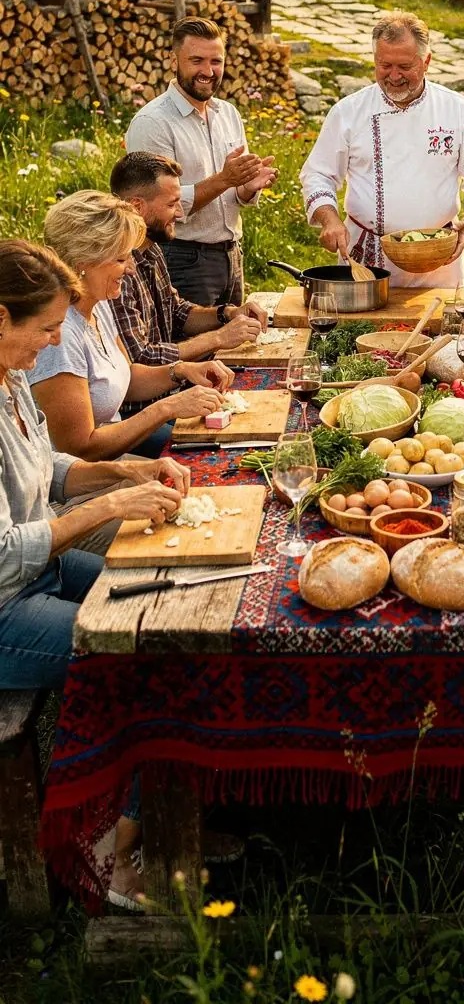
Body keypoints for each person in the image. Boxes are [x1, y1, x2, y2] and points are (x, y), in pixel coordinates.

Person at [0, 238, 187, 903]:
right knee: (140, 657)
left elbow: (45, 469)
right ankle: (111, 853)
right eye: (46, 327)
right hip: (5, 607)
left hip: (34, 577)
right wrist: (109, 503)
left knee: (169, 603)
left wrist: (123, 469)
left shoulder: (10, 377)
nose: (54, 339)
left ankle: (174, 813)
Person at [300, 10, 464, 287]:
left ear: (426, 61)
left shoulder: (457, 110)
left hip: (439, 260)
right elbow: (318, 174)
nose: (393, 76)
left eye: (404, 67)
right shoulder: (348, 112)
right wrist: (330, 220)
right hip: (368, 261)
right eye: (385, 65)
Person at [28, 192, 234, 461]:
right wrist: (167, 407)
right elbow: (81, 448)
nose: (131, 270)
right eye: (121, 259)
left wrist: (182, 370)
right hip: (86, 473)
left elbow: (128, 376)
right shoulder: (60, 336)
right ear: (83, 265)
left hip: (116, 448)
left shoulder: (98, 303)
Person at [124, 16, 277, 307]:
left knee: (233, 347)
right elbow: (156, 208)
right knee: (195, 349)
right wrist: (226, 179)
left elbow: (232, 196)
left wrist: (247, 187)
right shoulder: (152, 122)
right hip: (181, 257)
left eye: (216, 61)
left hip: (232, 255)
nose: (208, 71)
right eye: (196, 61)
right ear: (173, 60)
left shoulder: (228, 113)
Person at [109, 152, 269, 370]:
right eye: (171, 204)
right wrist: (218, 338)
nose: (180, 212)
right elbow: (142, 357)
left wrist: (228, 313)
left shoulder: (152, 248)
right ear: (137, 206)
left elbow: (176, 312)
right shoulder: (115, 270)